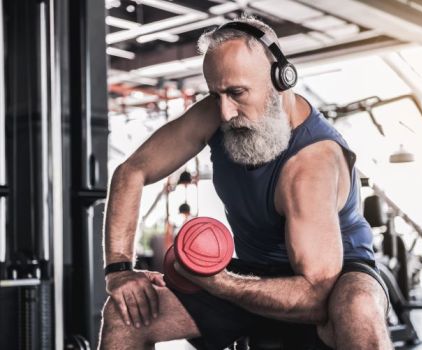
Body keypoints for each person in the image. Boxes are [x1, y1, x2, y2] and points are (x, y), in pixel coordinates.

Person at [99, 16, 393, 350]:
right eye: (216, 94)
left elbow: (314, 296)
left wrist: (220, 282)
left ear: (280, 81)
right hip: (252, 271)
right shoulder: (217, 113)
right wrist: (119, 270)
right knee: (126, 315)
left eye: (237, 93)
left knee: (358, 306)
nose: (224, 111)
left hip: (332, 277)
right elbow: (131, 171)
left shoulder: (311, 163)